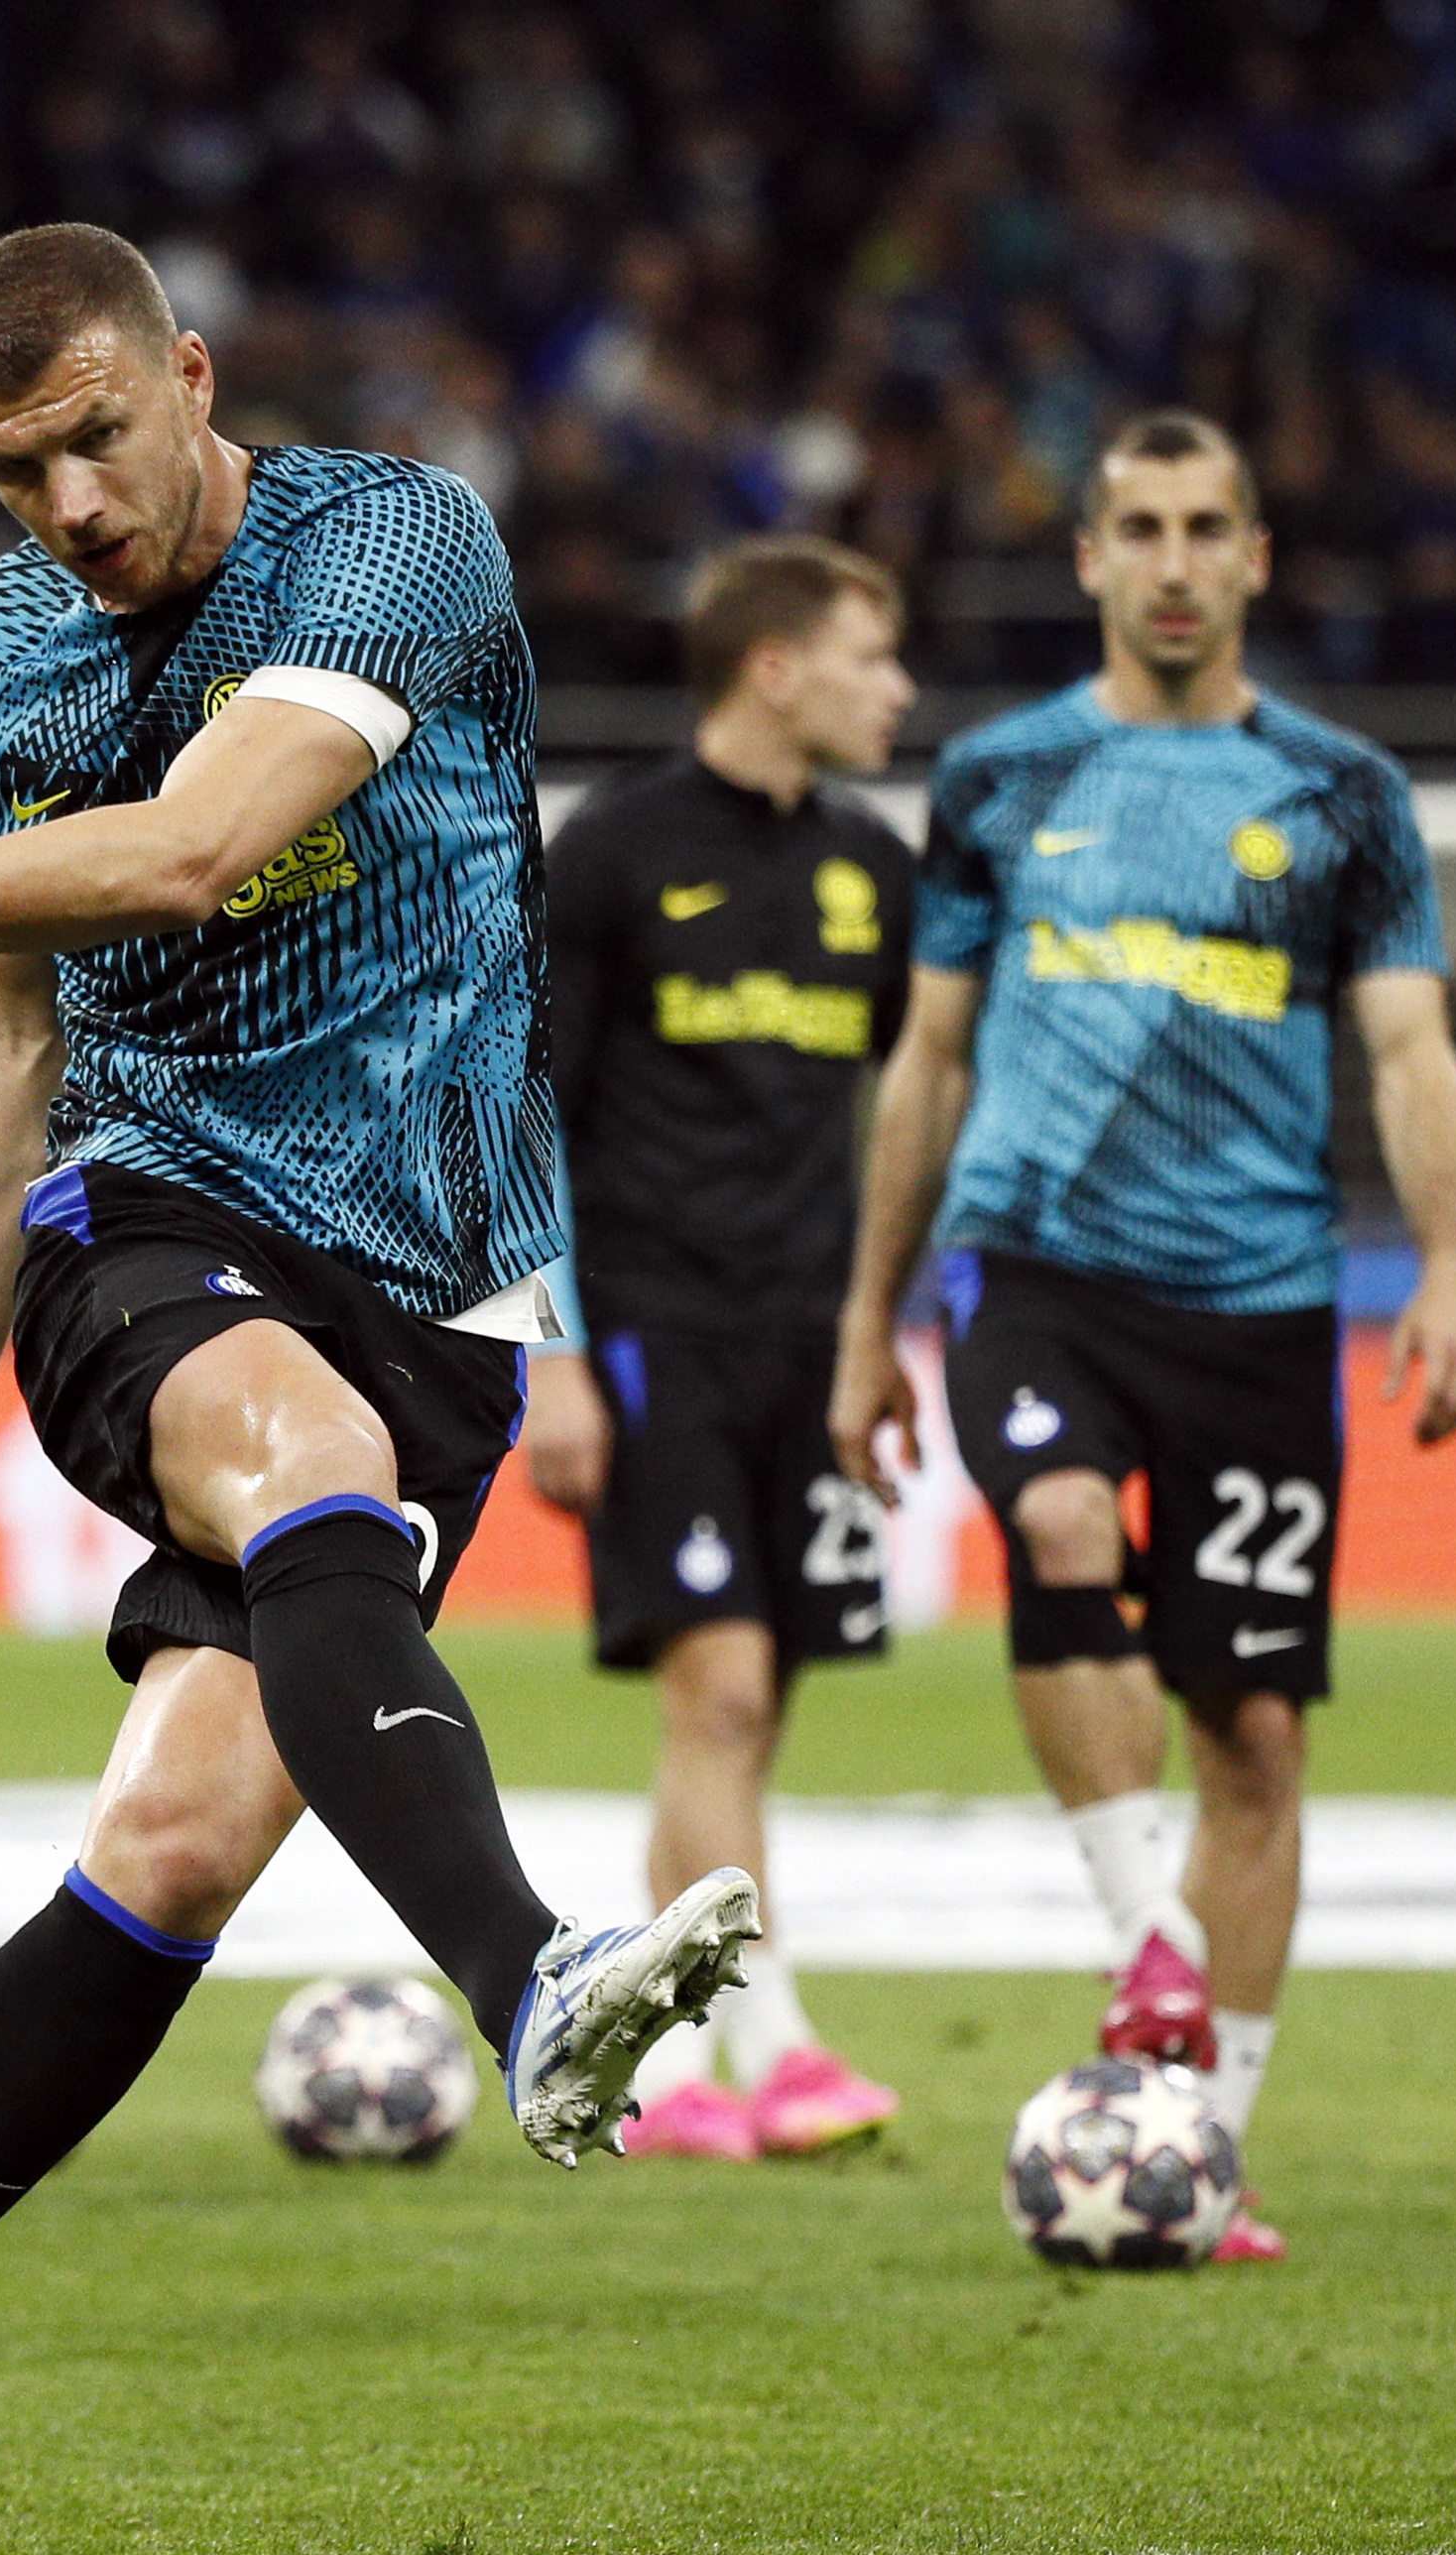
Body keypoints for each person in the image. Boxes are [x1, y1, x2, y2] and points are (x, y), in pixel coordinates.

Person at [0, 222, 761, 2555]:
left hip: (432, 1286)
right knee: (300, 1469)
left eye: (97, 438)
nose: (68, 506)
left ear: (187, 378)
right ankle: (531, 1985)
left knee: (174, 1857)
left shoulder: (393, 542)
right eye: (13, 469)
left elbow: (204, 839)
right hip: (151, 1229)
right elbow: (14, 1040)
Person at [829, 413, 1456, 2267]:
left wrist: (1449, 1268)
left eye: (1211, 528)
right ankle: (1157, 1956)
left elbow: (1412, 1046)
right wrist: (870, 1317)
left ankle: (1201, 2144)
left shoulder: (1347, 791)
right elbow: (931, 1055)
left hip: (1264, 1299)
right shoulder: (1000, 776)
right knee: (1053, 1527)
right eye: (1144, 527)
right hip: (1038, 1265)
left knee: (1256, 1736)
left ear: (1258, 558)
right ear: (1091, 557)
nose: (1178, 559)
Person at [522, 537, 918, 2163]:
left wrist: (886, 1325)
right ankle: (772, 2042)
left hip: (810, 1345)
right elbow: (526, 1104)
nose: (896, 688)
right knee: (721, 1686)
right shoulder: (615, 852)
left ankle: (672, 2068)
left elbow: (902, 1114)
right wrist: (550, 1349)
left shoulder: (875, 871)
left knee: (757, 1709)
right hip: (651, 1333)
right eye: (872, 654)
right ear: (776, 666)